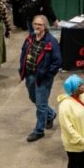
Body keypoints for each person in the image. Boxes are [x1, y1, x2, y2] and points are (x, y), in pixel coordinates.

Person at [21, 15, 62, 143]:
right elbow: (23, 53)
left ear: (45, 26)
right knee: (33, 98)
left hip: (43, 78)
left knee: (40, 105)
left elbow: (57, 61)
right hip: (29, 75)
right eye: (35, 24)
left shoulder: (51, 41)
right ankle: (51, 114)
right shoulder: (30, 38)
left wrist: (48, 75)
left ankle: (39, 131)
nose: (37, 26)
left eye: (40, 24)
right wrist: (22, 69)